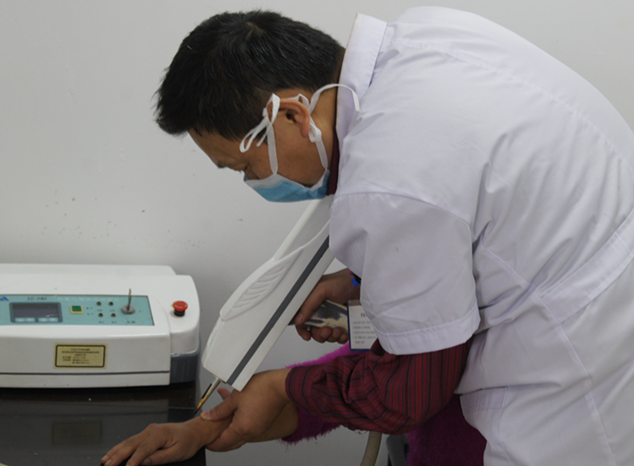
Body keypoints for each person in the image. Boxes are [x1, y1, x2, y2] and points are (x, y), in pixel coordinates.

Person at [102, 6, 634, 466]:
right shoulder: (428, 37)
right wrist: (363, 284)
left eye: (245, 167)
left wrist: (282, 385)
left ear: (292, 114)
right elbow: (478, 215)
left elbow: (408, 396)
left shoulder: (388, 183)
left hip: (563, 395)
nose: (254, 182)